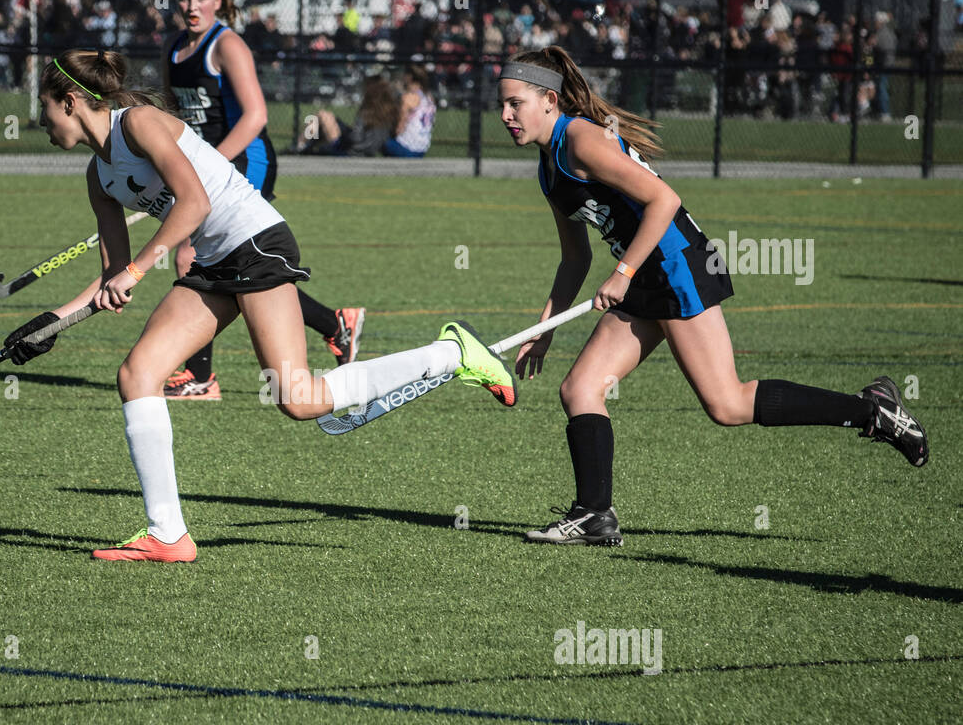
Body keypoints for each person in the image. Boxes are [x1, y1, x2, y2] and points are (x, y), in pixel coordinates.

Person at [7, 49, 518, 562]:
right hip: (212, 262)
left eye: (45, 107)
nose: (41, 121)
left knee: (297, 398)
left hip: (255, 243)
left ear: (71, 101)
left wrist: (138, 270)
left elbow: (195, 203)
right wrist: (48, 323)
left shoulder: (138, 123)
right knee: (138, 374)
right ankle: (168, 534)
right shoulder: (99, 177)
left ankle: (450, 355)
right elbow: (109, 275)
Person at [495, 47, 927, 546]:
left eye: (515, 104)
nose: (506, 116)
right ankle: (594, 515)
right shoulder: (549, 168)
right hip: (642, 273)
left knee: (726, 403)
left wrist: (624, 271)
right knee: (580, 389)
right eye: (501, 106)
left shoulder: (582, 140)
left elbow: (665, 200)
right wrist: (545, 330)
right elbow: (574, 258)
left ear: (549, 99)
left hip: (675, 265)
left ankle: (874, 411)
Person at [163, 0, 362, 401]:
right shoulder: (175, 48)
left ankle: (200, 379)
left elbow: (256, 115)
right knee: (231, 266)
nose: (191, 6)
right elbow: (176, 119)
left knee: (191, 257)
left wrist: (209, 163)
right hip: (203, 169)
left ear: (218, 0)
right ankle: (335, 323)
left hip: (245, 162)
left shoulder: (227, 44)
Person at [294, 74, 399, 157]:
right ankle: (306, 145)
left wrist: (346, 133)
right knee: (326, 118)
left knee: (318, 116)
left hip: (350, 151)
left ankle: (300, 146)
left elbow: (355, 138)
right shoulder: (390, 111)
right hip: (369, 150)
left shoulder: (367, 111)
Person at [385, 64, 436, 158]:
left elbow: (399, 128)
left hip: (408, 148)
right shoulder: (429, 97)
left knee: (379, 139)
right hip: (422, 148)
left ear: (409, 77)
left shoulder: (409, 98)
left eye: (404, 75)